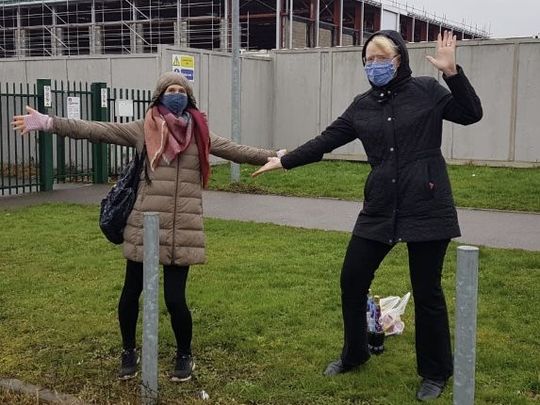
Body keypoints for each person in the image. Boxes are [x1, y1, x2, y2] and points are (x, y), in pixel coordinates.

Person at [252, 30, 482, 401]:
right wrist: (285, 160)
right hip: (379, 206)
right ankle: (355, 354)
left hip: (427, 202)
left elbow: (471, 113)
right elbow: (326, 140)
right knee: (352, 280)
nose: (374, 65)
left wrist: (453, 74)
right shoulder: (362, 106)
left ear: (400, 59)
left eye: (381, 58)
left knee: (427, 292)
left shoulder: (427, 90)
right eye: (368, 59)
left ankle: (435, 372)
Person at [13, 71, 284, 382]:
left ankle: (185, 355)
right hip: (144, 225)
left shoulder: (200, 133)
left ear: (189, 97)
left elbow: (236, 150)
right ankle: (129, 350)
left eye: (181, 90)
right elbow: (98, 130)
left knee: (175, 299)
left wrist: (276, 157)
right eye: (170, 89)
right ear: (160, 95)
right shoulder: (144, 129)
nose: (176, 94)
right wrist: (49, 123)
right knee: (131, 292)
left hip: (183, 228)